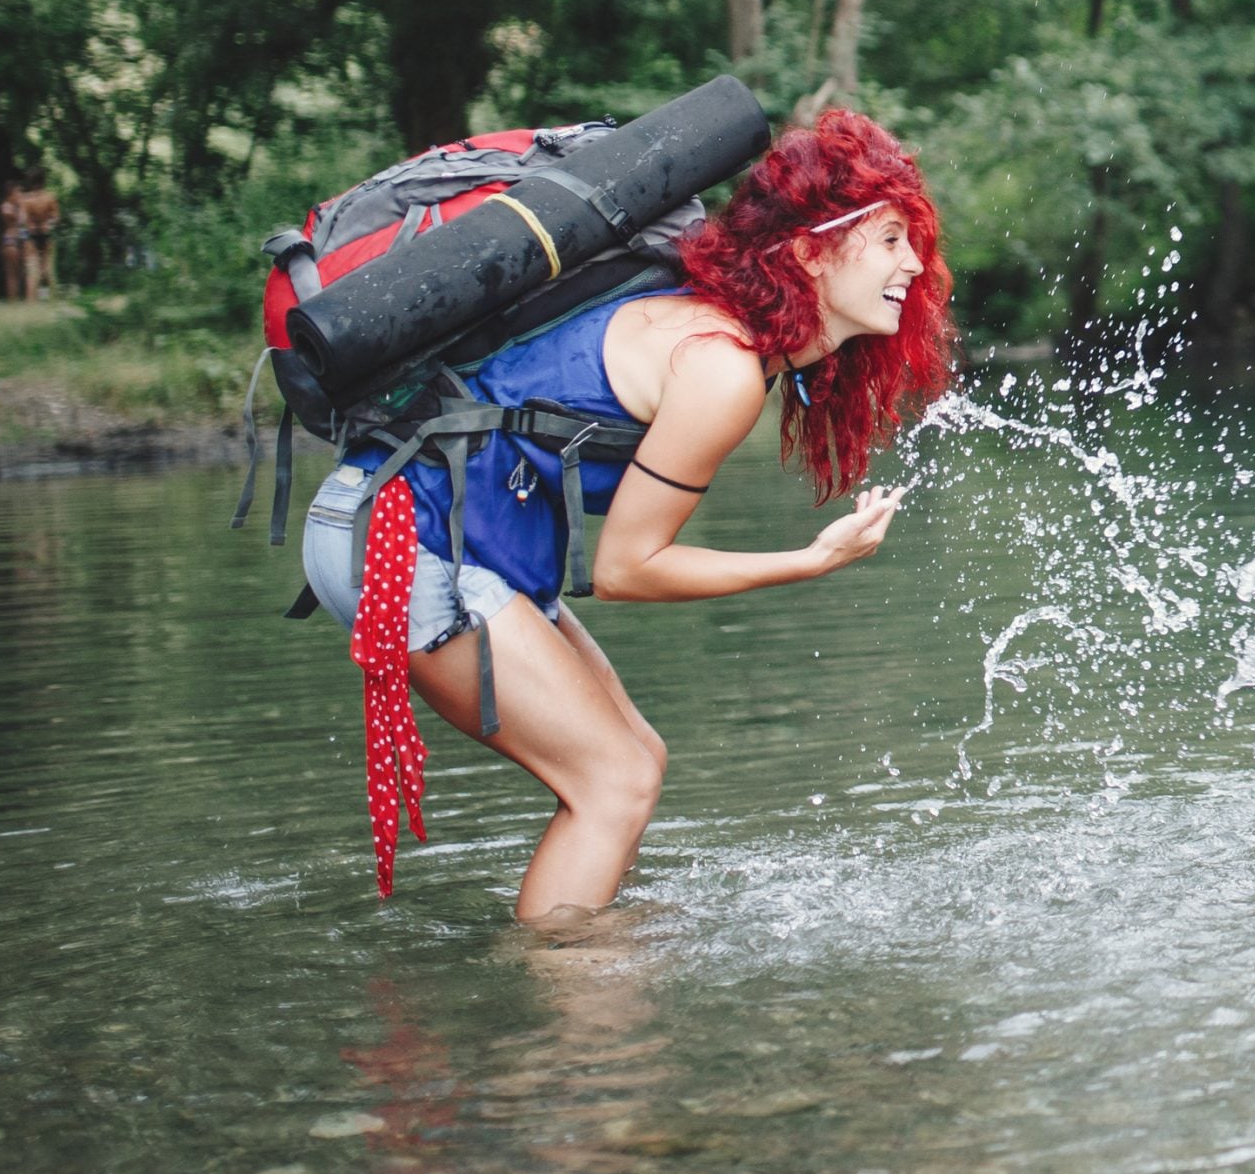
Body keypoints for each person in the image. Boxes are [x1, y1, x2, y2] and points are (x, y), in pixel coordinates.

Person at [296, 109, 956, 921]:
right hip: (401, 541)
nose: (916, 263)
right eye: (891, 239)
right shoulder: (719, 367)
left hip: (420, 528)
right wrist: (810, 560)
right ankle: (573, 1013)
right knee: (610, 782)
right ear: (809, 250)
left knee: (638, 757)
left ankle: (595, 946)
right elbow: (626, 569)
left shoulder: (715, 334)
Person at [0, 177, 60, 301]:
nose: (20, 194)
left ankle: (28, 299)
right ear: (11, 192)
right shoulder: (8, 206)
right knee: (17, 274)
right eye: (17, 191)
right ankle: (19, 300)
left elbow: (23, 222)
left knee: (27, 273)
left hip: (17, 239)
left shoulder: (17, 204)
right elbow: (22, 222)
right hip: (13, 240)